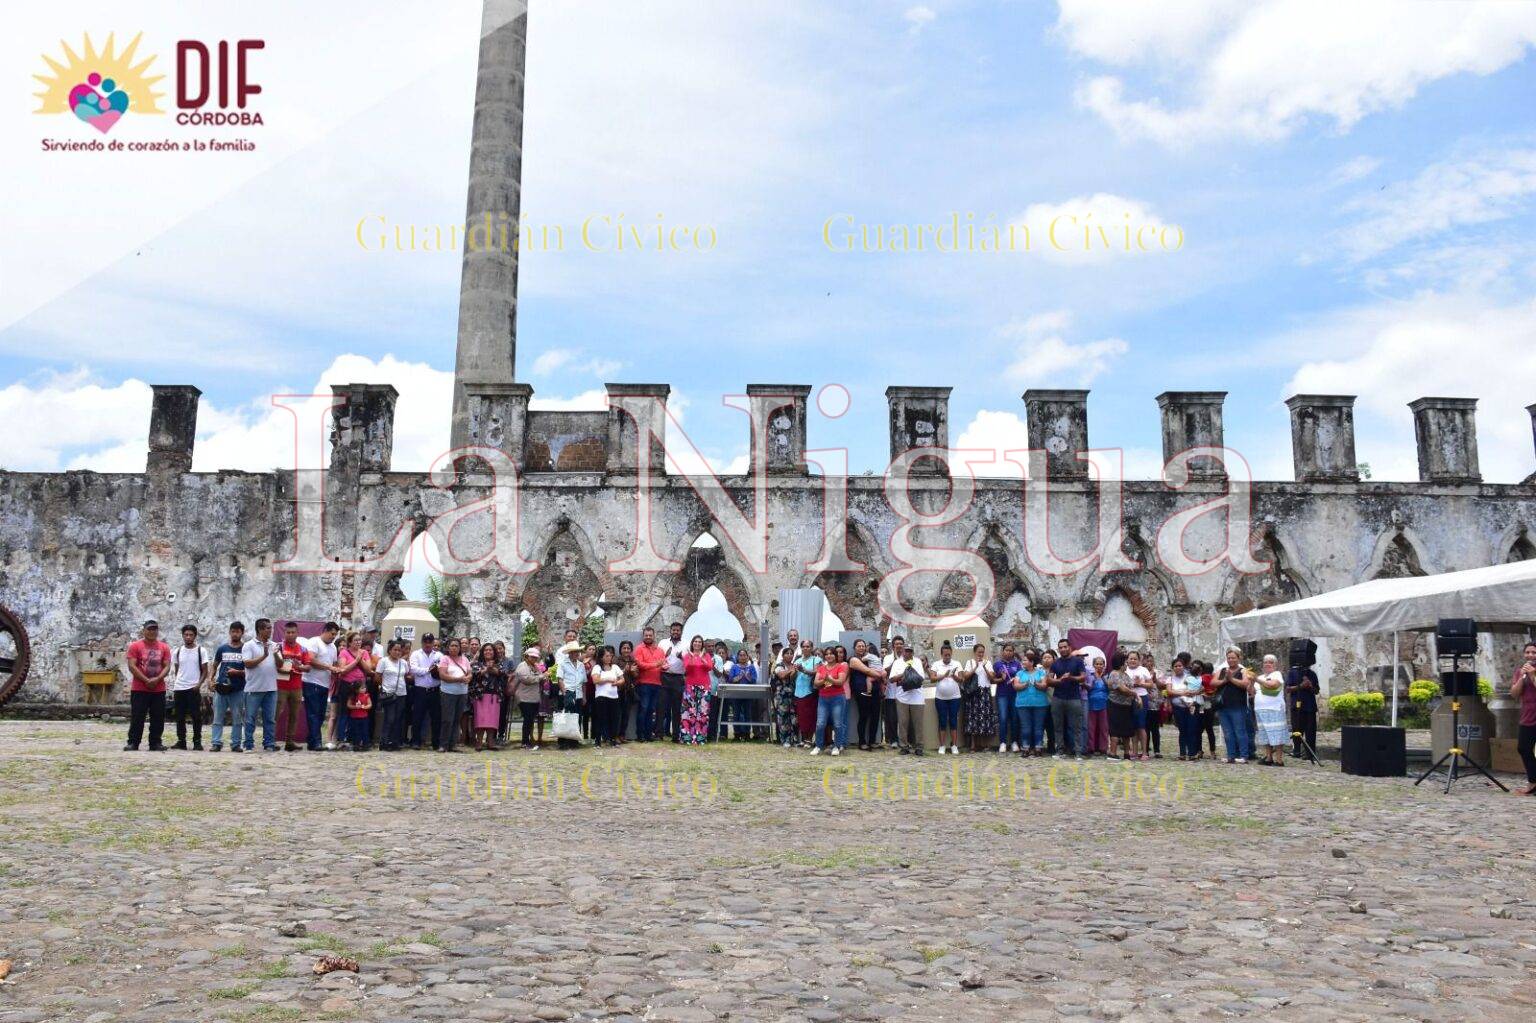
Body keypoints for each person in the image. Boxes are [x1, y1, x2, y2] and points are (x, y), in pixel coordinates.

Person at [124, 619, 171, 752]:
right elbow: (132, 666)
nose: (152, 632)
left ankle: (155, 743)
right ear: (144, 631)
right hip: (139, 688)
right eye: (149, 629)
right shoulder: (135, 646)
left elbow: (167, 666)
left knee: (158, 717)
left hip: (159, 689)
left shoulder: (164, 647)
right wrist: (146, 680)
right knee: (137, 716)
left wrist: (158, 679)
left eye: (154, 629)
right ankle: (133, 742)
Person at [240, 618, 281, 752]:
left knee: (270, 719)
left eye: (271, 628)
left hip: (271, 688)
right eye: (268, 628)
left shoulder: (274, 645)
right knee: (250, 718)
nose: (270, 630)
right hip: (254, 688)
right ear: (260, 629)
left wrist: (276, 655)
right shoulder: (249, 645)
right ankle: (248, 744)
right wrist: (264, 656)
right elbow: (247, 663)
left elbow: (281, 665)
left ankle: (269, 743)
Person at [168, 624, 210, 751]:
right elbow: (177, 669)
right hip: (179, 688)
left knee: (196, 716)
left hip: (193, 688)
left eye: (191, 635)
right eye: (186, 635)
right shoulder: (177, 651)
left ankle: (197, 741)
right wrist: (178, 682)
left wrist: (198, 684)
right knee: (179, 716)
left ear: (195, 636)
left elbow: (205, 671)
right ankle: (181, 741)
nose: (188, 637)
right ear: (182, 636)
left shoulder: (201, 651)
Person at [883, 637, 926, 757]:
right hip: (902, 697)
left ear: (913, 652)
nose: (908, 653)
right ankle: (904, 746)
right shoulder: (897, 663)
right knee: (902, 723)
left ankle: (919, 746)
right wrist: (905, 674)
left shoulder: (917, 661)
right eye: (906, 651)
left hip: (917, 697)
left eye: (910, 651)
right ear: (902, 651)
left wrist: (904, 678)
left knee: (918, 724)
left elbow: (921, 678)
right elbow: (892, 679)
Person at [210, 622, 247, 753]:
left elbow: (250, 670)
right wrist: (210, 680)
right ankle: (216, 742)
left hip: (238, 689)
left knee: (237, 718)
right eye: (233, 631)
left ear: (242, 633)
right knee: (217, 717)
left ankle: (236, 743)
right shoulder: (222, 648)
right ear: (230, 632)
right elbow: (214, 665)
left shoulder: (246, 649)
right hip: (221, 688)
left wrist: (237, 672)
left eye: (238, 632)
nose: (235, 634)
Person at [1214, 646, 1253, 764]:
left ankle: (1244, 755)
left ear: (1239, 658)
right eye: (1229, 658)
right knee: (1227, 732)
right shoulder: (1222, 670)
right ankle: (1231, 755)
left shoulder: (1243, 671)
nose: (1231, 660)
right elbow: (1213, 682)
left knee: (1240, 731)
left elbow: (1245, 684)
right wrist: (1224, 680)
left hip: (1238, 705)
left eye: (1233, 658)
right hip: (1223, 706)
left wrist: (1231, 679)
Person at [1049, 639, 1086, 760]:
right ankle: (1060, 750)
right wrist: (1059, 680)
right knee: (1058, 726)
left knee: (1077, 726)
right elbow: (1049, 680)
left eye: (1065, 647)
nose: (1063, 649)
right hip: (1058, 698)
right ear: (1058, 649)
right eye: (1060, 647)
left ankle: (1078, 752)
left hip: (1074, 698)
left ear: (1069, 647)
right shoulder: (1055, 663)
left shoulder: (1078, 661)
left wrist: (1071, 678)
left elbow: (1083, 677)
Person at [810, 644, 851, 755]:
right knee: (820, 723)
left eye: (831, 654)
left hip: (837, 698)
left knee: (837, 724)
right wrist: (825, 680)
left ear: (835, 655)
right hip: (823, 698)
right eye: (827, 654)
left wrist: (829, 679)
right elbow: (816, 683)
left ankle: (837, 746)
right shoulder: (821, 668)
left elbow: (840, 682)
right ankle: (818, 746)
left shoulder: (840, 667)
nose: (829, 656)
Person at [333, 633, 370, 750]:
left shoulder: (364, 652)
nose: (358, 642)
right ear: (349, 642)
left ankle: (354, 738)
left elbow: (368, 669)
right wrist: (356, 660)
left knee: (357, 712)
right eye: (355, 640)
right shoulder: (344, 653)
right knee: (344, 712)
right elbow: (343, 670)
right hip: (347, 685)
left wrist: (361, 658)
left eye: (359, 640)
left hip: (360, 687)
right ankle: (341, 739)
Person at [960, 643, 997, 754]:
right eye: (979, 652)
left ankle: (984, 743)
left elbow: (992, 677)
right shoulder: (970, 662)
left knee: (985, 717)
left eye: (982, 652)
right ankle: (973, 744)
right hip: (973, 693)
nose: (981, 654)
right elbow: (965, 676)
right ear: (974, 652)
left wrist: (984, 667)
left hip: (985, 692)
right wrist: (975, 667)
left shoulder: (988, 662)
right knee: (973, 717)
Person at [436, 638, 472, 753]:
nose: (454, 648)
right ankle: (443, 744)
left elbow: (470, 673)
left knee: (457, 719)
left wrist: (468, 678)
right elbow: (442, 675)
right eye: (452, 645)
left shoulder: (465, 659)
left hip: (462, 693)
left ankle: (453, 744)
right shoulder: (445, 659)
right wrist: (458, 679)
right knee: (447, 719)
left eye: (457, 646)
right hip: (448, 693)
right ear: (448, 647)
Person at [1167, 653, 1205, 761]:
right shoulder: (1170, 679)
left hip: (1191, 706)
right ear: (1173, 668)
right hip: (1178, 707)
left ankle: (1192, 753)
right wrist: (1182, 693)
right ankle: (1182, 753)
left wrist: (1194, 692)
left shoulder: (1189, 676)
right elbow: (1169, 691)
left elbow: (1201, 687)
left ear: (1183, 667)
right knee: (1182, 729)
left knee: (1191, 728)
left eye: (1180, 666)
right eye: (1176, 666)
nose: (1178, 668)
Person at [1252, 655, 1288, 766]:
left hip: (1274, 709)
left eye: (1270, 662)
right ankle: (1268, 757)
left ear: (1275, 665)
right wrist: (1250, 681)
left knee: (1277, 733)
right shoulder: (1260, 677)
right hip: (1260, 709)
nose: (1267, 664)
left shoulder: (1276, 674)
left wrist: (1256, 679)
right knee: (1265, 734)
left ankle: (1279, 760)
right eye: (1265, 662)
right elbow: (1252, 692)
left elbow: (1273, 685)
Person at [408, 634, 442, 751]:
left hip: (435, 690)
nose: (427, 644)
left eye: (430, 642)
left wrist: (430, 670)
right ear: (422, 642)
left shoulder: (439, 655)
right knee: (417, 717)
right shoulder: (416, 654)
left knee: (436, 718)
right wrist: (428, 670)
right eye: (425, 642)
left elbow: (442, 668)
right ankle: (416, 741)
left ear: (433, 643)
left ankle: (436, 742)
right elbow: (413, 669)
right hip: (420, 690)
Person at [848, 639, 884, 752]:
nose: (861, 648)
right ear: (854, 648)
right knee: (863, 716)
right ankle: (862, 742)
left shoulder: (870, 658)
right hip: (862, 692)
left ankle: (872, 741)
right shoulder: (853, 659)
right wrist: (880, 675)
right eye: (859, 646)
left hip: (875, 690)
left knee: (875, 716)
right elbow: (868, 671)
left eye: (863, 646)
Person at [1013, 649, 1050, 756]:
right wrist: (1025, 684)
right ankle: (1026, 748)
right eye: (1023, 660)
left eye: (1025, 660)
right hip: (1023, 704)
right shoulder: (1019, 673)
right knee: (1025, 727)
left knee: (1039, 727)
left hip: (1040, 704)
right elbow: (1016, 686)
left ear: (1032, 662)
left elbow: (1044, 685)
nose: (1023, 662)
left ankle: (1038, 748)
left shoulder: (1041, 672)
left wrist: (1036, 684)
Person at [632, 627, 667, 741]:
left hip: (657, 683)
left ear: (654, 636)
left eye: (650, 635)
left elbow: (663, 664)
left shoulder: (660, 650)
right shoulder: (639, 649)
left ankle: (648, 735)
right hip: (644, 684)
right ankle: (640, 735)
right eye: (646, 635)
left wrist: (664, 667)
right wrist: (656, 664)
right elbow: (640, 665)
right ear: (643, 636)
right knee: (644, 709)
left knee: (651, 710)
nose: (648, 637)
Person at [470, 643, 506, 751]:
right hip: (480, 695)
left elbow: (502, 674)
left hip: (494, 695)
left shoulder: (499, 663)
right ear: (482, 652)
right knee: (480, 720)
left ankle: (490, 743)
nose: (488, 652)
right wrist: (486, 669)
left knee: (492, 720)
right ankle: (479, 742)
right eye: (486, 650)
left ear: (494, 652)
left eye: (490, 650)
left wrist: (492, 668)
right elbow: (475, 674)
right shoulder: (477, 664)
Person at [1511, 642, 1536, 796]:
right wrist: (1522, 677)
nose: (1530, 655)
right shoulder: (1520, 671)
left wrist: (1533, 675)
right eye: (1527, 652)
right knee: (1523, 748)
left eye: (1534, 652)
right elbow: (1514, 694)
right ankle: (1533, 781)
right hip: (1528, 715)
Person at [376, 639, 410, 751]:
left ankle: (394, 742)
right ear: (390, 650)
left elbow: (406, 676)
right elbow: (377, 676)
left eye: (399, 650)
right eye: (395, 650)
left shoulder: (403, 663)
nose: (397, 652)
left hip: (401, 694)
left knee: (398, 719)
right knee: (389, 718)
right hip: (389, 694)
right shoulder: (384, 661)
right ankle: (384, 741)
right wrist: (384, 687)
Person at [929, 642, 963, 755]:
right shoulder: (936, 664)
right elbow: (932, 678)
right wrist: (943, 676)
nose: (947, 657)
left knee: (953, 721)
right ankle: (942, 745)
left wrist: (953, 676)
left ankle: (954, 745)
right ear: (941, 654)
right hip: (940, 698)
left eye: (949, 655)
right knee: (942, 721)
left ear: (951, 653)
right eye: (945, 655)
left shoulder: (957, 663)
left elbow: (962, 679)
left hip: (955, 697)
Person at [680, 635, 714, 746]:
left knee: (703, 712)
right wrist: (692, 657)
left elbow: (709, 667)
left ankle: (700, 738)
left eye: (699, 642)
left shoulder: (706, 655)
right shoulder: (687, 656)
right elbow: (687, 668)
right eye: (695, 641)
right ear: (692, 643)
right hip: (690, 686)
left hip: (704, 686)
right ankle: (687, 738)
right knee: (689, 712)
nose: (697, 643)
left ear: (702, 644)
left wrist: (701, 658)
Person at [1284, 656, 1320, 761]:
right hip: (1296, 705)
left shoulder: (1312, 674)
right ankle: (1296, 750)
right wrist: (1301, 686)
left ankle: (1310, 753)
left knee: (1310, 731)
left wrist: (1310, 686)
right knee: (1296, 729)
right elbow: (1288, 689)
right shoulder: (1292, 673)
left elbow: (1316, 690)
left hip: (1310, 706)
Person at [555, 639, 588, 749]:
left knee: (577, 717)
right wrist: (565, 693)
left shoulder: (581, 665)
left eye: (578, 651)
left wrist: (584, 696)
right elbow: (560, 679)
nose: (577, 653)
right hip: (567, 693)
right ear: (569, 653)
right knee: (565, 717)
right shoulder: (562, 663)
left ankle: (574, 740)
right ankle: (562, 741)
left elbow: (584, 682)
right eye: (574, 651)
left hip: (578, 694)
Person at [659, 621, 687, 743]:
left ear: (681, 632)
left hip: (678, 678)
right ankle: (659, 733)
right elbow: (657, 659)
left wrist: (682, 657)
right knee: (661, 707)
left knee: (676, 708)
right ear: (670, 631)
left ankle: (676, 735)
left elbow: (689, 662)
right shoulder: (663, 643)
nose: (675, 632)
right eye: (673, 630)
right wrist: (665, 655)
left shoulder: (686, 644)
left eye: (678, 630)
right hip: (664, 676)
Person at [1105, 653, 1138, 760]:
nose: (1127, 664)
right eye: (1125, 662)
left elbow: (1130, 687)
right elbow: (1122, 689)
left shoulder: (1125, 675)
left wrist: (1133, 695)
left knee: (1126, 730)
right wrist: (1135, 694)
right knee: (1115, 729)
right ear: (1120, 663)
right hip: (1115, 705)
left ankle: (1127, 753)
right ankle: (1113, 753)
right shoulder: (1114, 674)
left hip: (1127, 706)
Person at [591, 646, 625, 748]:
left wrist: (617, 683)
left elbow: (622, 679)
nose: (609, 657)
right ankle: (598, 740)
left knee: (614, 718)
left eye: (610, 656)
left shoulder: (615, 667)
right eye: (606, 656)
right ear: (601, 657)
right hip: (601, 696)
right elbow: (595, 680)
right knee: (601, 718)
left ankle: (613, 739)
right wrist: (608, 679)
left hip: (614, 696)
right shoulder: (597, 667)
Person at [992, 643, 1023, 754]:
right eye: (1006, 650)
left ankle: (1014, 742)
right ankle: (1003, 742)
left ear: (1013, 652)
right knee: (1003, 718)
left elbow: (1021, 677)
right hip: (1002, 694)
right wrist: (1001, 677)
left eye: (1011, 650)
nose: (1008, 652)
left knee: (1015, 718)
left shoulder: (1017, 664)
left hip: (1015, 694)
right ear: (1002, 651)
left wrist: (1015, 679)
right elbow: (992, 679)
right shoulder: (997, 664)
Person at [513, 646, 545, 750]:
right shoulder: (522, 666)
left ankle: (528, 741)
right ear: (526, 656)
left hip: (534, 697)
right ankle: (525, 742)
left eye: (536, 657)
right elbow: (527, 680)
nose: (534, 659)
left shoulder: (535, 666)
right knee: (527, 719)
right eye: (532, 657)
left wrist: (543, 677)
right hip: (524, 697)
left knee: (530, 720)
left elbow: (540, 678)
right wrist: (541, 677)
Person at [793, 640, 822, 748]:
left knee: (811, 716)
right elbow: (793, 676)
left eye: (808, 646)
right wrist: (794, 671)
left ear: (811, 648)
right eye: (804, 646)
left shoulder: (816, 659)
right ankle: (804, 739)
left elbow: (818, 672)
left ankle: (809, 739)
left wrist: (804, 670)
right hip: (798, 691)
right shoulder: (798, 660)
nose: (805, 648)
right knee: (801, 716)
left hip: (810, 691)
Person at [1124, 650, 1152, 761]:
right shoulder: (1125, 670)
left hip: (1142, 698)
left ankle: (1144, 752)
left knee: (1141, 726)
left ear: (1139, 660)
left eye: (1135, 659)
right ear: (1127, 660)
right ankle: (1134, 751)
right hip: (1128, 699)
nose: (1133, 661)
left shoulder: (1143, 670)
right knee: (1133, 726)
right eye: (1131, 658)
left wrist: (1140, 683)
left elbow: (1151, 684)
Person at [772, 646, 800, 749]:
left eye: (791, 653)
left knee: (793, 718)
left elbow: (792, 678)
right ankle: (784, 740)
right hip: (781, 696)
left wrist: (794, 670)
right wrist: (791, 670)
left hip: (792, 695)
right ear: (782, 655)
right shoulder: (779, 665)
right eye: (787, 653)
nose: (789, 655)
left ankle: (794, 739)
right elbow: (782, 675)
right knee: (783, 718)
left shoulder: (794, 666)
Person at [1084, 655, 1109, 755]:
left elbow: (1110, 688)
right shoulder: (1090, 676)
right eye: (1097, 664)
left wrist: (1102, 678)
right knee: (1091, 727)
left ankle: (1103, 748)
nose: (1099, 666)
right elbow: (1088, 688)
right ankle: (1091, 747)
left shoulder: (1106, 677)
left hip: (1104, 704)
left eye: (1101, 664)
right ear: (1093, 665)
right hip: (1091, 704)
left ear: (1104, 665)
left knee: (1104, 727)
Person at [616, 639, 637, 744]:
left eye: (628, 648)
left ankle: (622, 735)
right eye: (624, 648)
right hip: (618, 691)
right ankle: (615, 735)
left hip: (629, 691)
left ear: (631, 650)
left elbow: (636, 676)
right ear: (620, 649)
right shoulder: (616, 661)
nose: (626, 650)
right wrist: (625, 670)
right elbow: (614, 675)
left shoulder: (633, 661)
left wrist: (633, 672)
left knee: (626, 714)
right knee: (617, 714)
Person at [345, 673, 372, 749]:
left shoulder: (367, 696)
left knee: (365, 730)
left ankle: (365, 744)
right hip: (354, 717)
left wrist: (364, 707)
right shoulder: (353, 696)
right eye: (362, 688)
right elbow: (348, 705)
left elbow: (370, 705)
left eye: (365, 688)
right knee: (356, 731)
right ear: (357, 689)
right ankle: (356, 744)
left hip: (364, 716)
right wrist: (355, 707)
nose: (364, 689)